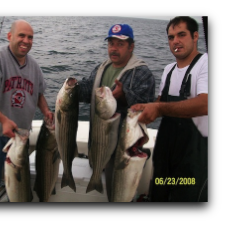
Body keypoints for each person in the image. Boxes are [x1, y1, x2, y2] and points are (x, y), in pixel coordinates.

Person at [0, 19, 53, 202]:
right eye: (21, 35)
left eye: (30, 37)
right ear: (9, 36)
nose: (26, 41)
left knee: (19, 186)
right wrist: (3, 119)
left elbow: (38, 93)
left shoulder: (34, 66)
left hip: (19, 138)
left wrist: (46, 111)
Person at [131, 16, 208, 202]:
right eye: (171, 37)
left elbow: (205, 103)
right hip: (165, 155)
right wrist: (140, 110)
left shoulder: (205, 63)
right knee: (159, 195)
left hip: (193, 160)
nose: (175, 41)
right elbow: (160, 104)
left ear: (195, 36)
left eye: (181, 35)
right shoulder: (168, 70)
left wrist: (158, 108)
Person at [77, 24, 155, 201]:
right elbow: (88, 89)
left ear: (131, 46)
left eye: (120, 44)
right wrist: (72, 89)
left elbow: (148, 106)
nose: (114, 48)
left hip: (123, 151)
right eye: (111, 43)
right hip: (98, 143)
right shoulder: (101, 68)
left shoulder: (142, 73)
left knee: (118, 194)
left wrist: (125, 96)